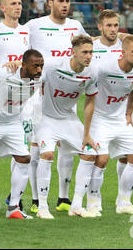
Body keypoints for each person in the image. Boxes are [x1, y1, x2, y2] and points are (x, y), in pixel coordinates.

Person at [26, 0, 89, 214]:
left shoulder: (76, 26)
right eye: (60, 0)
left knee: (67, 148)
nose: (65, 5)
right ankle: (35, 200)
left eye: (67, 1)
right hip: (38, 95)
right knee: (38, 149)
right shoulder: (34, 26)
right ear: (49, 3)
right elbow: (17, 41)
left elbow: (89, 47)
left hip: (66, 97)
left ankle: (64, 198)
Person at [88, 10, 133, 214]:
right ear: (100, 26)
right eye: (109, 25)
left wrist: (132, 110)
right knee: (100, 159)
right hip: (99, 113)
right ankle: (92, 202)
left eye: (116, 26)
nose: (113, 29)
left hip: (120, 115)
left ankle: (124, 202)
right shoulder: (94, 50)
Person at [35, 35, 98, 218]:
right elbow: (33, 78)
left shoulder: (91, 73)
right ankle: (42, 207)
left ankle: (76, 205)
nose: (89, 56)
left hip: (68, 118)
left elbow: (90, 102)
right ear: (73, 52)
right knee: (47, 154)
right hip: (45, 117)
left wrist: (87, 134)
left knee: (90, 153)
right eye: (85, 52)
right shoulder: (53, 66)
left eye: (91, 52)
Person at [0, 49, 43, 221]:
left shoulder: (40, 78)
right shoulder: (6, 71)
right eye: (35, 66)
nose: (39, 70)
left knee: (24, 158)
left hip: (13, 122)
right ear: (24, 64)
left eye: (41, 66)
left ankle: (13, 207)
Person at [0, 0, 32, 215]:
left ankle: (15, 201)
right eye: (13, 4)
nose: (18, 7)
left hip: (23, 101)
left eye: (20, 3)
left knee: (22, 152)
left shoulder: (28, 31)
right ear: (2, 8)